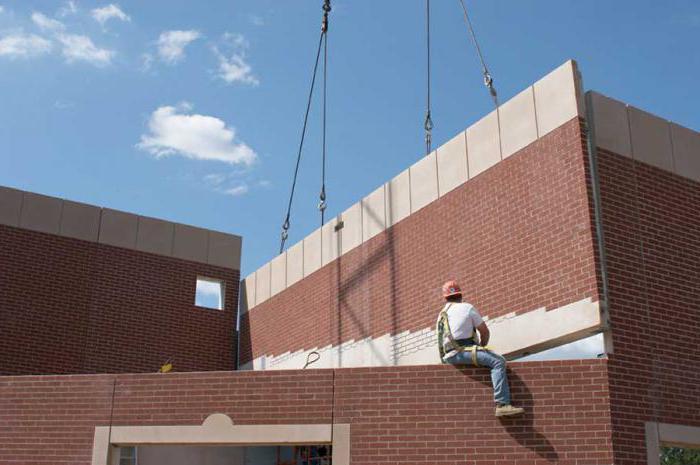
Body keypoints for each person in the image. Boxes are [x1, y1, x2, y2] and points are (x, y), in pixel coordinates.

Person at [436, 280, 525, 417]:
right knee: (498, 361)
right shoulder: (466, 307)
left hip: (448, 355)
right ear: (460, 296)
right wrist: (481, 348)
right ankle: (502, 404)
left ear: (445, 298)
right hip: (461, 351)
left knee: (488, 358)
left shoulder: (442, 314)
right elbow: (484, 332)